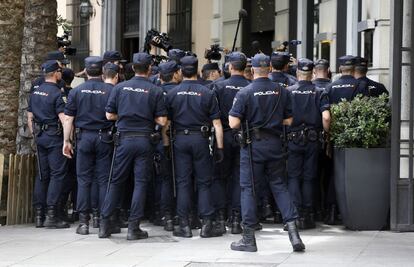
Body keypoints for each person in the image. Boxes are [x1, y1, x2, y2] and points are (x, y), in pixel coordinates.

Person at [228, 53, 305, 252]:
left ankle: (248, 238)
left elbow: (234, 122)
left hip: (253, 145)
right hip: (275, 143)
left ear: (252, 70)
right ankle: (294, 233)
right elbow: (288, 121)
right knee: (279, 185)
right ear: (269, 69)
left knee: (249, 189)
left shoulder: (245, 92)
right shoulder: (282, 91)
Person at [99, 52, 168, 240]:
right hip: (145, 139)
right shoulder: (155, 90)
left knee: (115, 181)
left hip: (123, 139)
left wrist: (126, 116)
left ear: (132, 69)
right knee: (140, 182)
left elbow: (109, 116)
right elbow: (162, 120)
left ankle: (104, 225)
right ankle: (133, 227)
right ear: (149, 69)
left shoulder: (120, 88)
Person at [166, 55, 224, 238]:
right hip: (200, 139)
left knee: (183, 182)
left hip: (180, 140)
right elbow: (217, 124)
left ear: (181, 71)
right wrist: (220, 148)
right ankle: (207, 224)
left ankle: (184, 225)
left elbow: (166, 124)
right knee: (204, 182)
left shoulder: (172, 94)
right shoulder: (207, 92)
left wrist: (167, 145)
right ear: (198, 70)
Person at [62, 57, 115, 235]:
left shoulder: (76, 91)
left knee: (83, 180)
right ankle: (100, 218)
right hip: (105, 138)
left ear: (85, 71)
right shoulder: (111, 90)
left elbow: (68, 118)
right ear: (102, 71)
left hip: (84, 137)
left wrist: (66, 141)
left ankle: (83, 222)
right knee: (103, 180)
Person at [286, 58, 331, 229]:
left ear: (297, 73)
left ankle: (295, 215)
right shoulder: (320, 92)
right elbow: (326, 117)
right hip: (312, 139)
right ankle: (308, 214)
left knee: (293, 177)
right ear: (312, 74)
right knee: (309, 178)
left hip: (293, 139)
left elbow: (284, 118)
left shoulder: (289, 91)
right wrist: (326, 135)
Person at [212, 52, 250, 234]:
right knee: (239, 179)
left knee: (220, 177)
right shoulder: (250, 87)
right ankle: (236, 218)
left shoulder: (218, 87)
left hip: (224, 136)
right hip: (244, 137)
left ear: (229, 67)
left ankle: (220, 217)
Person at [27, 60, 69, 229]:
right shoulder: (57, 94)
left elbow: (29, 117)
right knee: (57, 174)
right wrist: (68, 140)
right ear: (55, 73)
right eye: (60, 71)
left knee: (42, 175)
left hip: (40, 136)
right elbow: (64, 120)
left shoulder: (36, 92)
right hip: (53, 136)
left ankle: (39, 214)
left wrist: (35, 134)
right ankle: (52, 215)